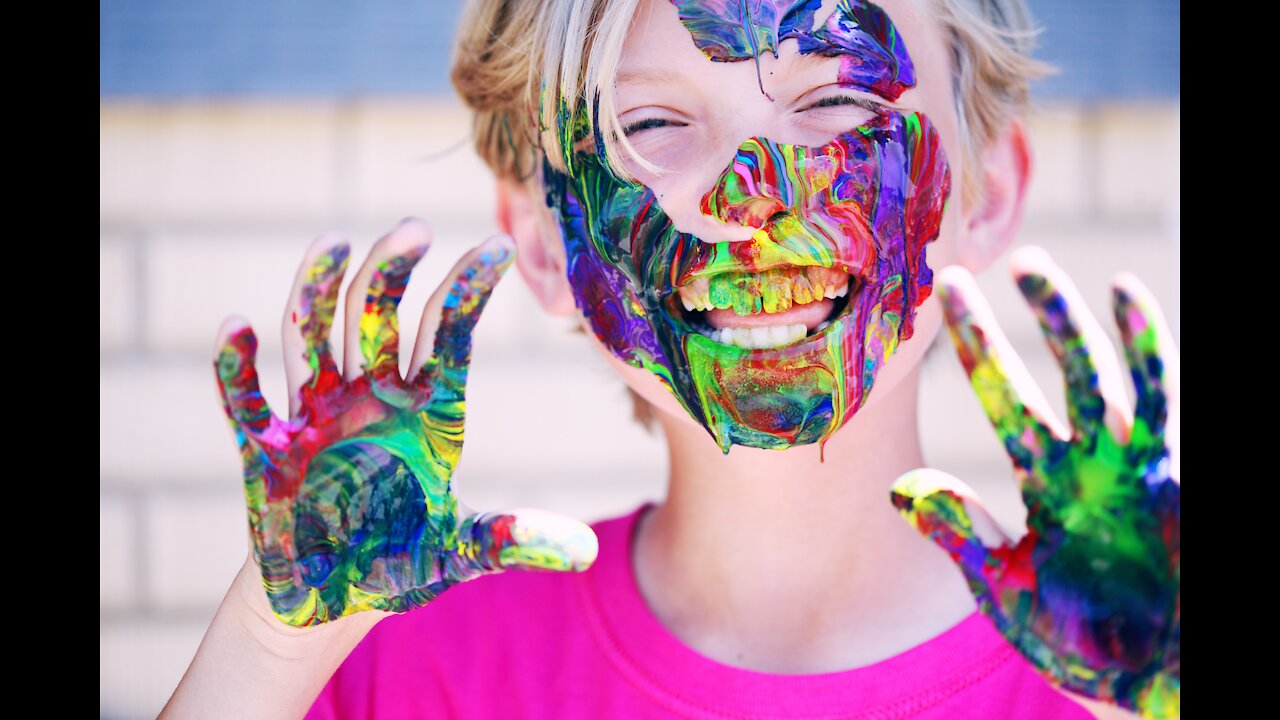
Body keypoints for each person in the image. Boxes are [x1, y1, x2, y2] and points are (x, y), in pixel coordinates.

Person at [162, 0, 1180, 718]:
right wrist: (270, 645)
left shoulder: (1122, 663)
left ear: (988, 191)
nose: (750, 195)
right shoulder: (405, 668)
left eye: (835, 103)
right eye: (651, 124)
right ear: (544, 237)